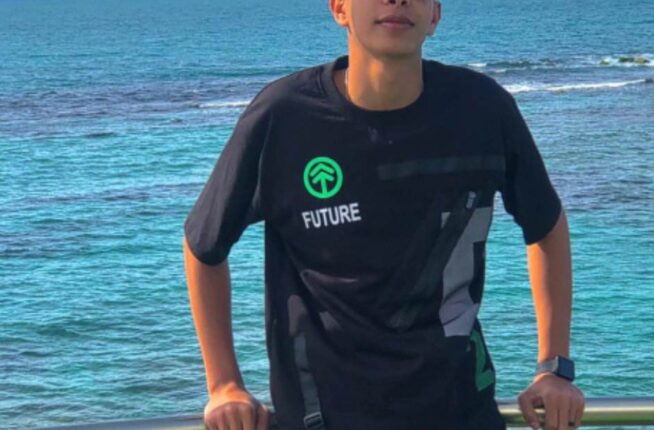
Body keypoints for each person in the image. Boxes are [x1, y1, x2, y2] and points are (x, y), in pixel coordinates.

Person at [182, 0, 586, 429]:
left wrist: (553, 367)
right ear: (339, 8)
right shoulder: (284, 117)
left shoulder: (483, 110)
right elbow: (204, 245)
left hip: (462, 413)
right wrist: (224, 384)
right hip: (324, 419)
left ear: (434, 15)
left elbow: (546, 226)